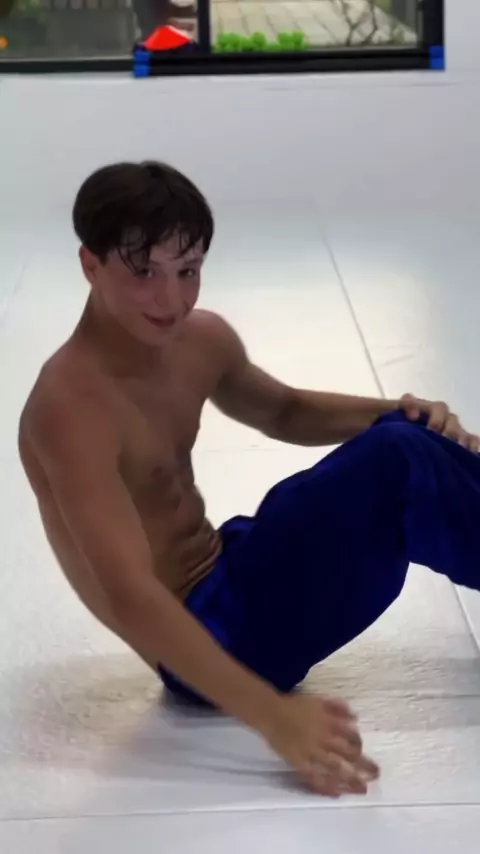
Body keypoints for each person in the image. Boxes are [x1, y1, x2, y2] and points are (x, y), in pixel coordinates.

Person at [18, 161, 480, 800]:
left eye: (188, 271)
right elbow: (129, 595)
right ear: (90, 265)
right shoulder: (70, 409)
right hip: (210, 642)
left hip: (234, 572)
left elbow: (283, 410)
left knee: (403, 436)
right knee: (397, 458)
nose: (171, 299)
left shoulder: (197, 340)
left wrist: (402, 410)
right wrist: (273, 717)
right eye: (143, 272)